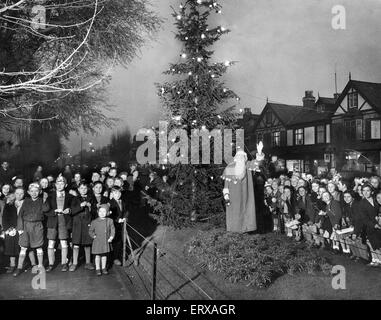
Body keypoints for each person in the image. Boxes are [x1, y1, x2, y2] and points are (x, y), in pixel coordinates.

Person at [13, 183, 50, 277]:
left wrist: (45, 199)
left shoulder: (42, 200)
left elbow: (46, 209)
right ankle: (19, 267)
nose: (34, 193)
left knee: (38, 247)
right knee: (24, 247)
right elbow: (20, 215)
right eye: (32, 191)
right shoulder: (26, 201)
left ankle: (40, 266)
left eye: (36, 191)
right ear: (28, 192)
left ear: (40, 192)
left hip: (37, 226)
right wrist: (20, 228)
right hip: (26, 226)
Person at [45, 176, 75, 272]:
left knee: (63, 242)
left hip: (64, 221)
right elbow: (45, 210)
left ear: (65, 185)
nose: (60, 185)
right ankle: (51, 263)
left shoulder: (70, 196)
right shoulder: (49, 196)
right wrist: (53, 211)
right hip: (52, 221)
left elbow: (75, 208)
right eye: (58, 183)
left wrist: (69, 210)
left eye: (62, 183)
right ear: (55, 185)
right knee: (51, 243)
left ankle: (64, 263)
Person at [222, 150, 256, 233]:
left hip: (245, 194)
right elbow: (226, 183)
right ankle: (233, 231)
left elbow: (257, 163)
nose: (240, 158)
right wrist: (226, 195)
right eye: (239, 156)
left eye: (242, 157)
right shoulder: (230, 167)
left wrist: (259, 153)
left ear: (245, 159)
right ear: (235, 158)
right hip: (233, 195)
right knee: (234, 213)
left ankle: (245, 230)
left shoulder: (247, 166)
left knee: (245, 211)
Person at [70, 182, 95, 271]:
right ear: (78, 189)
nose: (83, 190)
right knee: (76, 243)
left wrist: (91, 207)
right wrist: (81, 205)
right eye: (81, 188)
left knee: (87, 243)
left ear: (87, 189)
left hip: (87, 223)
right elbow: (72, 211)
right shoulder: (74, 199)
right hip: (77, 224)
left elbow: (95, 212)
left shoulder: (91, 198)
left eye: (85, 188)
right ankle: (74, 263)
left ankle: (88, 263)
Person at [2, 188, 24, 273]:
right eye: (17, 193)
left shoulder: (24, 204)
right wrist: (9, 229)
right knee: (11, 248)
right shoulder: (9, 205)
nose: (19, 195)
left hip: (21, 228)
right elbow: (4, 218)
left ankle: (22, 264)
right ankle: (12, 265)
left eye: (21, 194)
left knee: (22, 247)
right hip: (11, 230)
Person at [89, 204, 115, 276]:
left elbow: (113, 230)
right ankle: (97, 268)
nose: (102, 213)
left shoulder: (110, 221)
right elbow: (90, 230)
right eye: (100, 211)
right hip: (97, 241)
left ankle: (103, 268)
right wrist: (93, 236)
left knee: (104, 255)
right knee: (97, 255)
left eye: (104, 211)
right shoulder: (94, 221)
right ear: (98, 212)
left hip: (105, 241)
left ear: (107, 212)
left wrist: (111, 237)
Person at [109, 186, 128, 266]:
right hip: (112, 225)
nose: (118, 194)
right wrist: (117, 219)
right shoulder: (110, 203)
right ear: (112, 194)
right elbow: (109, 215)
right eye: (116, 193)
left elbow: (126, 211)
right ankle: (109, 258)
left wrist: (125, 217)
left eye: (119, 193)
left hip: (120, 226)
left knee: (119, 241)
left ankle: (115, 257)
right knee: (112, 241)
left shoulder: (122, 202)